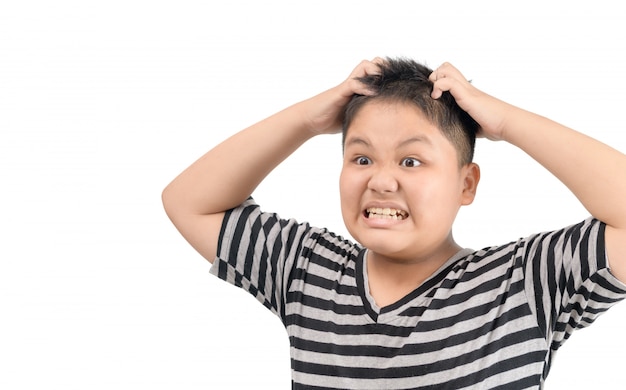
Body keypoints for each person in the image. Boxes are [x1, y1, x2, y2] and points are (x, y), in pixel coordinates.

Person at [162, 57, 626, 389]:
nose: (381, 181)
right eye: (361, 157)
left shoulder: (524, 281)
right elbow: (188, 202)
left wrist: (505, 122)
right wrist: (306, 119)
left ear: (467, 185)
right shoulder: (306, 269)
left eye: (411, 160)